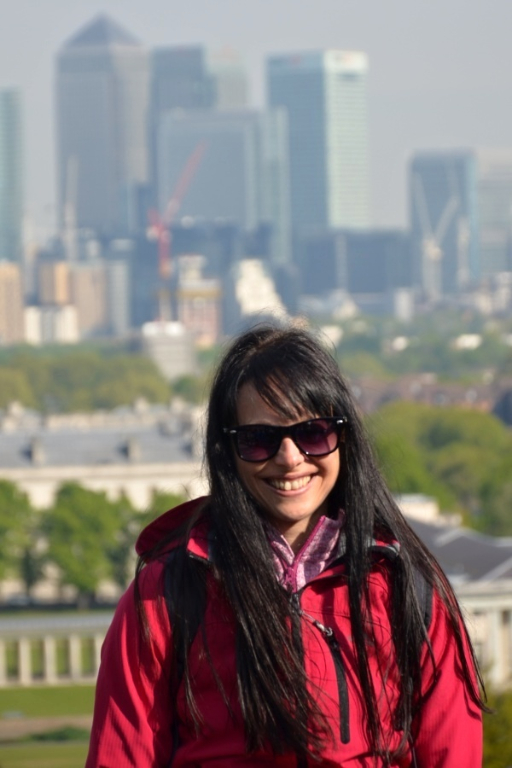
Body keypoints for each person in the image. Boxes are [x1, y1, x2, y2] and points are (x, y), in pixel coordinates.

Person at [86, 324, 485, 767]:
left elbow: (452, 751)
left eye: (313, 433)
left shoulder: (406, 584)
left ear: (344, 438)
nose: (290, 458)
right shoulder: (165, 594)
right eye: (259, 439)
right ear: (226, 451)